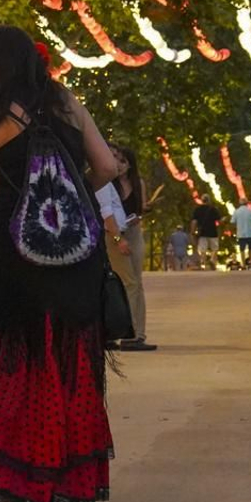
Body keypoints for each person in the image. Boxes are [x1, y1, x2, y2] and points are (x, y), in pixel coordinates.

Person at [0, 26, 121, 502]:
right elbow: (107, 166)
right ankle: (53, 498)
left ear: (0, 64)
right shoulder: (65, 101)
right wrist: (68, 193)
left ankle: (18, 484)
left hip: (16, 253)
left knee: (19, 364)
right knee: (67, 364)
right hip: (74, 254)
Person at [105, 145, 155, 349]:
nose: (119, 165)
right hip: (116, 234)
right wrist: (118, 238)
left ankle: (139, 332)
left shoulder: (137, 183)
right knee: (128, 282)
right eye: (116, 159)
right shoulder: (107, 184)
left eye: (123, 160)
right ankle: (128, 333)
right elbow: (106, 213)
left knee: (136, 282)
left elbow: (140, 207)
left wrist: (140, 214)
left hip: (133, 231)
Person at [190, 198, 222, 269]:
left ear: (202, 201)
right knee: (215, 248)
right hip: (213, 232)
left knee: (203, 249)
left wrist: (193, 231)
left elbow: (194, 221)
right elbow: (219, 221)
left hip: (202, 232)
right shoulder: (213, 209)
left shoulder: (198, 209)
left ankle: (204, 264)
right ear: (209, 201)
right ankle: (212, 259)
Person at [232, 195, 251, 269]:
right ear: (247, 203)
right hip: (250, 233)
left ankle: (243, 264)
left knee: (242, 249)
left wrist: (234, 231)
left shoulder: (236, 212)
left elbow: (233, 222)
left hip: (241, 234)